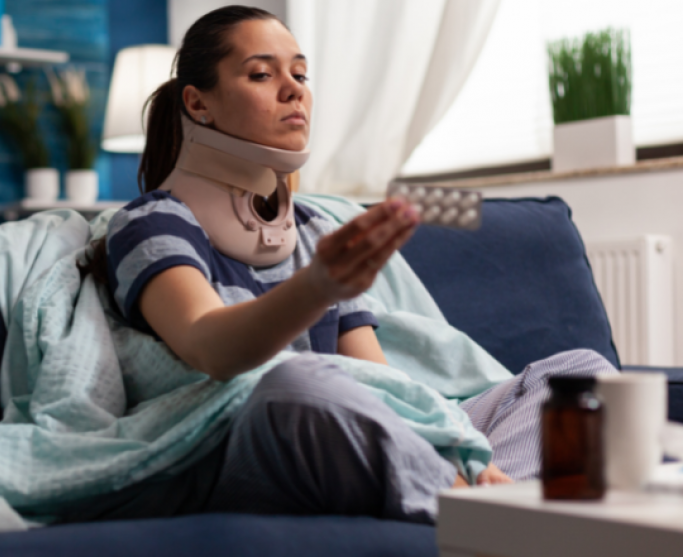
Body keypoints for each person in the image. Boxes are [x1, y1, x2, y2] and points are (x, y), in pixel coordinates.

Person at [80, 5, 616, 523]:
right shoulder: (152, 222)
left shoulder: (314, 230)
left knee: (581, 373)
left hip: (348, 423)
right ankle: (483, 504)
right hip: (239, 433)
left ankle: (492, 498)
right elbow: (209, 346)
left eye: (301, 73)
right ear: (199, 105)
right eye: (262, 74)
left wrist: (443, 439)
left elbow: (378, 383)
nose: (294, 89)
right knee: (300, 386)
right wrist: (318, 285)